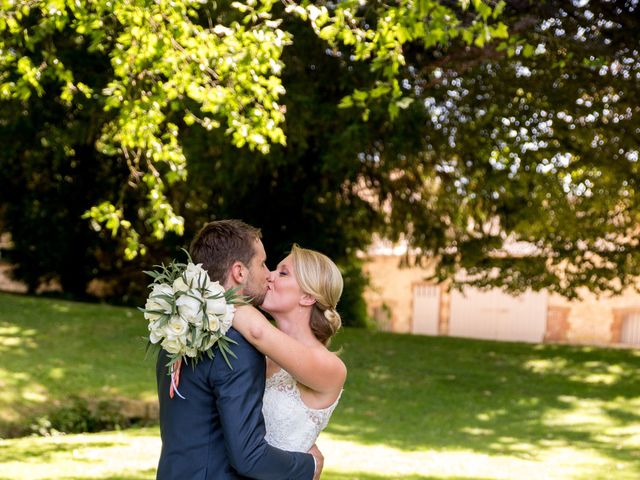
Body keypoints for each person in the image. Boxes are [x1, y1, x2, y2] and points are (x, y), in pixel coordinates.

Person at [156, 220, 322, 480]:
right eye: (262, 263)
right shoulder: (237, 347)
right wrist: (308, 466)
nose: (269, 274)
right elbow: (249, 457)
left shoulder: (176, 331)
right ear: (239, 272)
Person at [232, 243, 347, 453]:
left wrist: (201, 306)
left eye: (283, 273)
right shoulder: (258, 355)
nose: (270, 276)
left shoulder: (331, 368)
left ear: (308, 297)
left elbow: (257, 331)